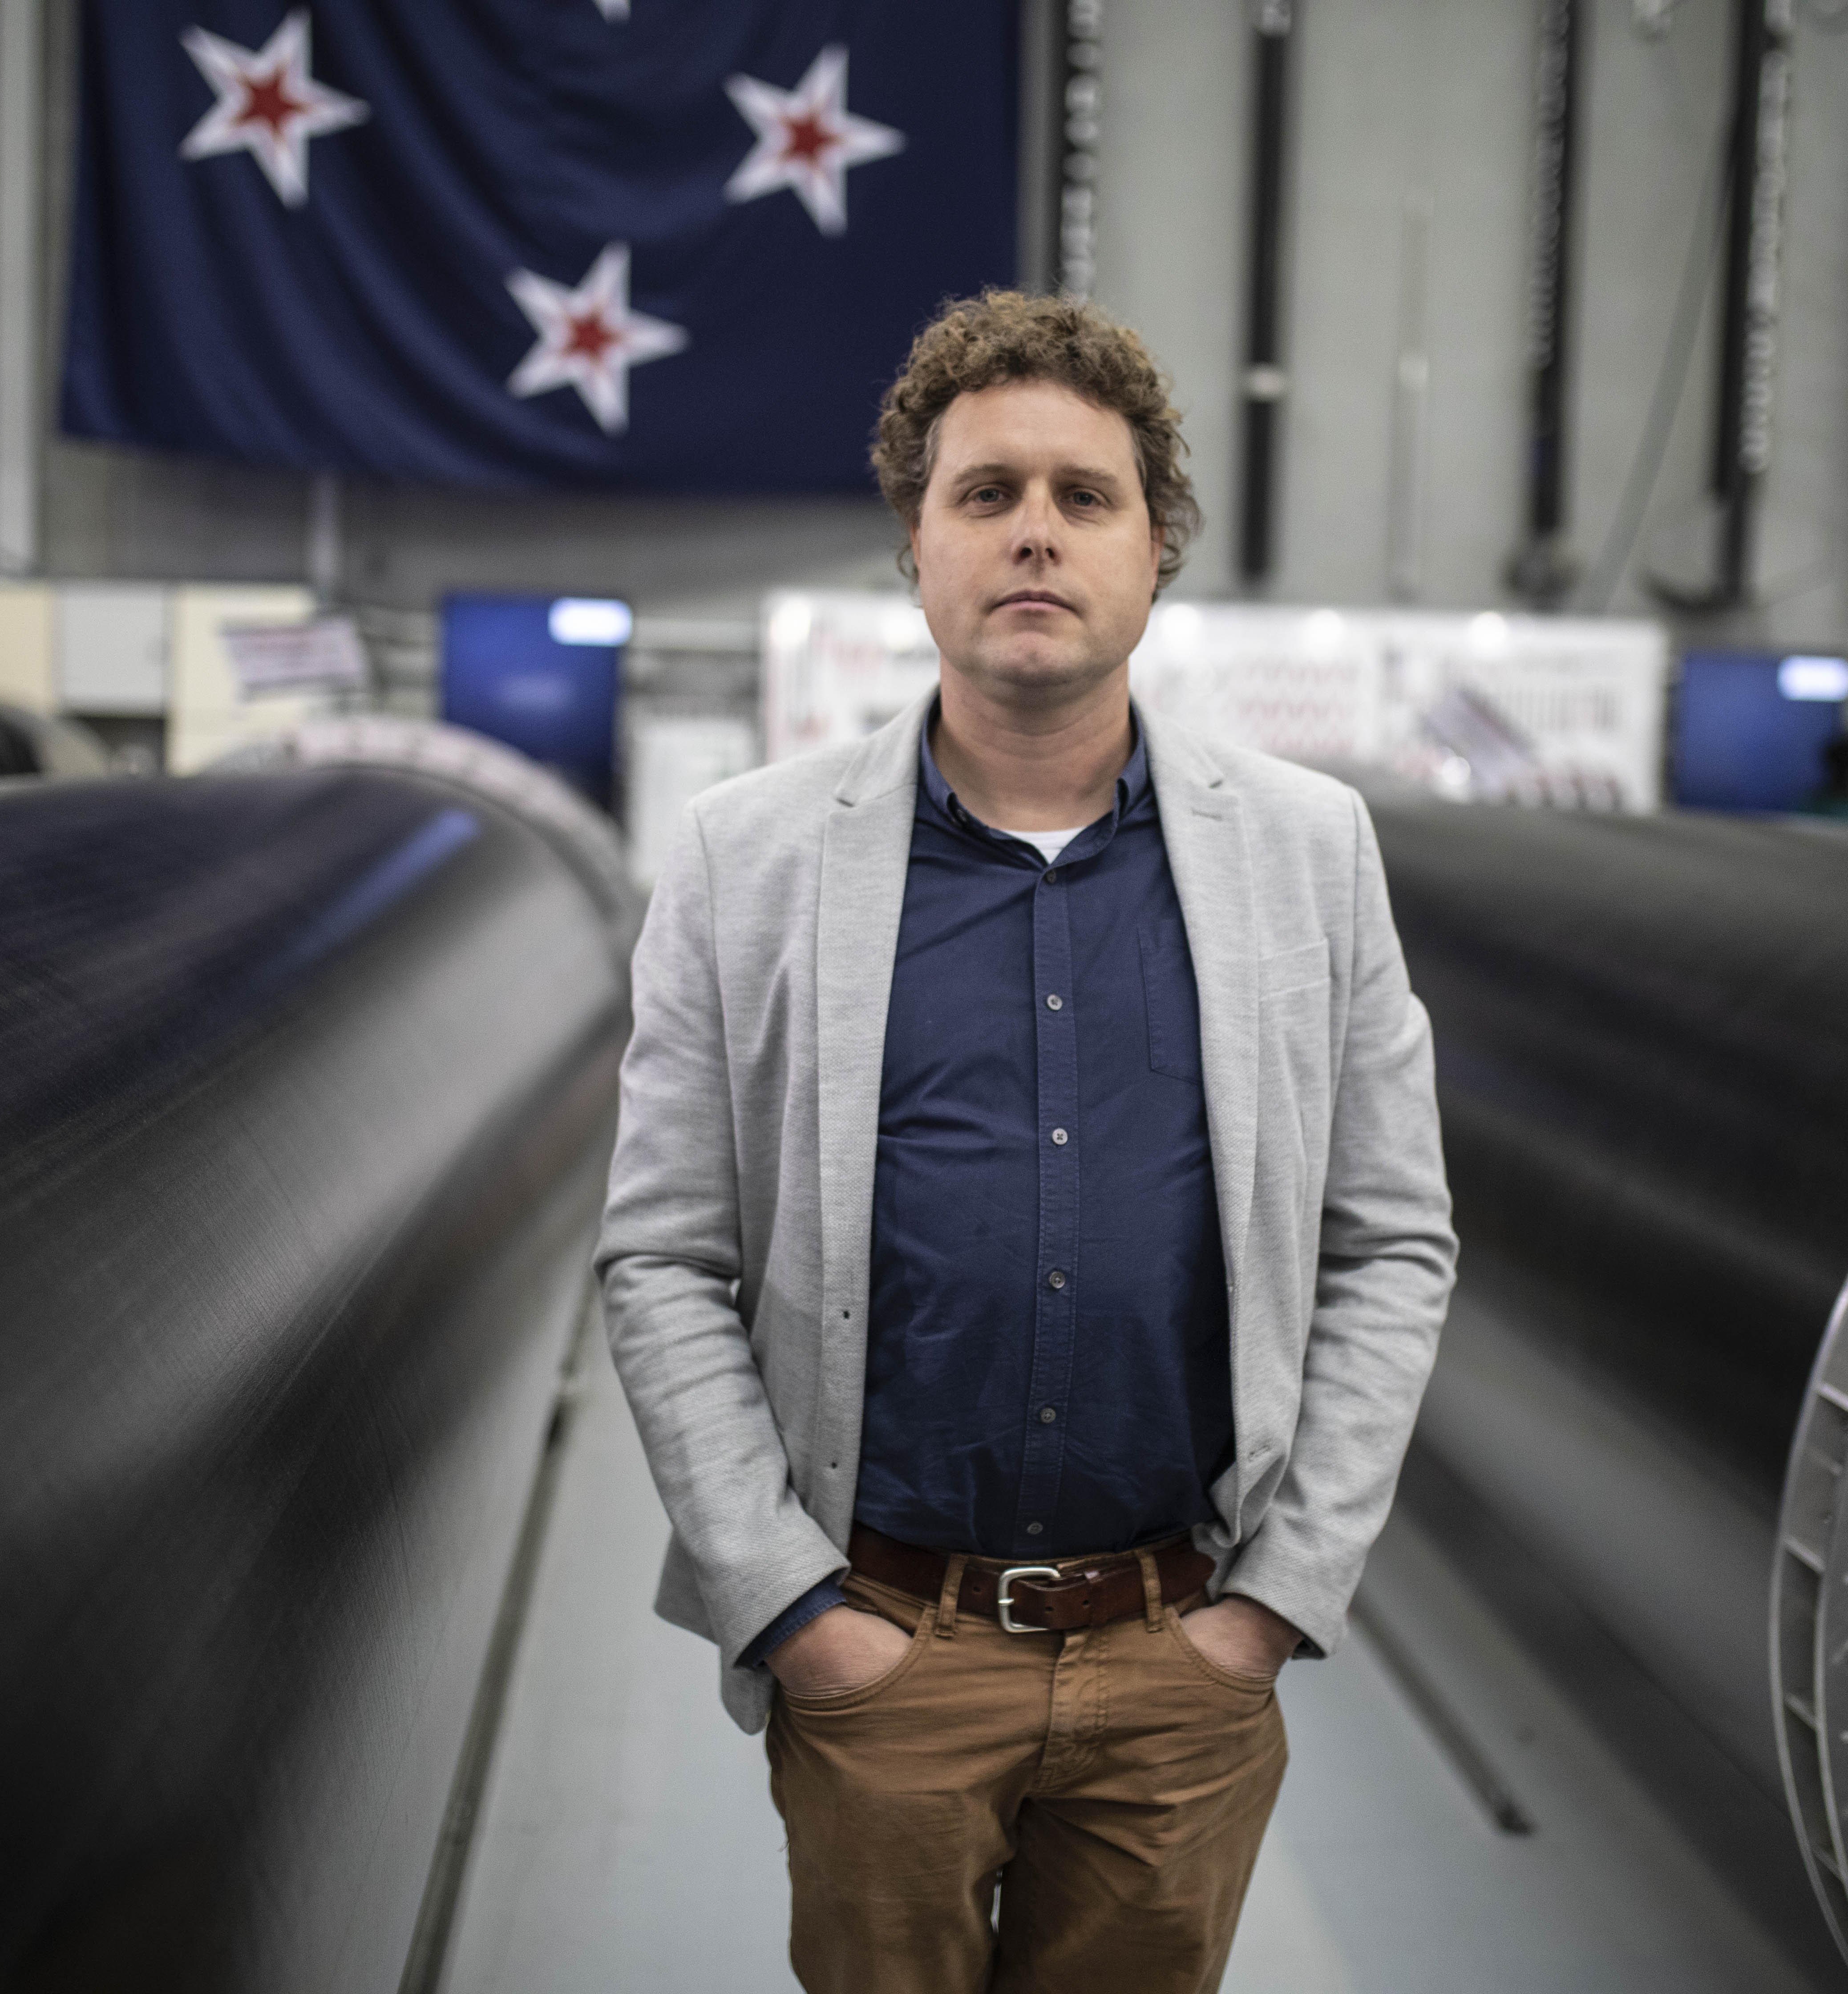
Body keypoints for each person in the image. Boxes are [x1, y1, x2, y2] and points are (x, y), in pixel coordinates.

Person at [597, 290, 1457, 1994]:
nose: (1036, 534)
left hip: (1180, 1659)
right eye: (985, 494)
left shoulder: (1307, 854)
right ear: (916, 550)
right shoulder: (746, 860)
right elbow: (666, 1256)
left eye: (1087, 495)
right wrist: (790, 1609)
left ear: (1156, 554)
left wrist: (1271, 1607)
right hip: (884, 1649)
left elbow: (1391, 1242)